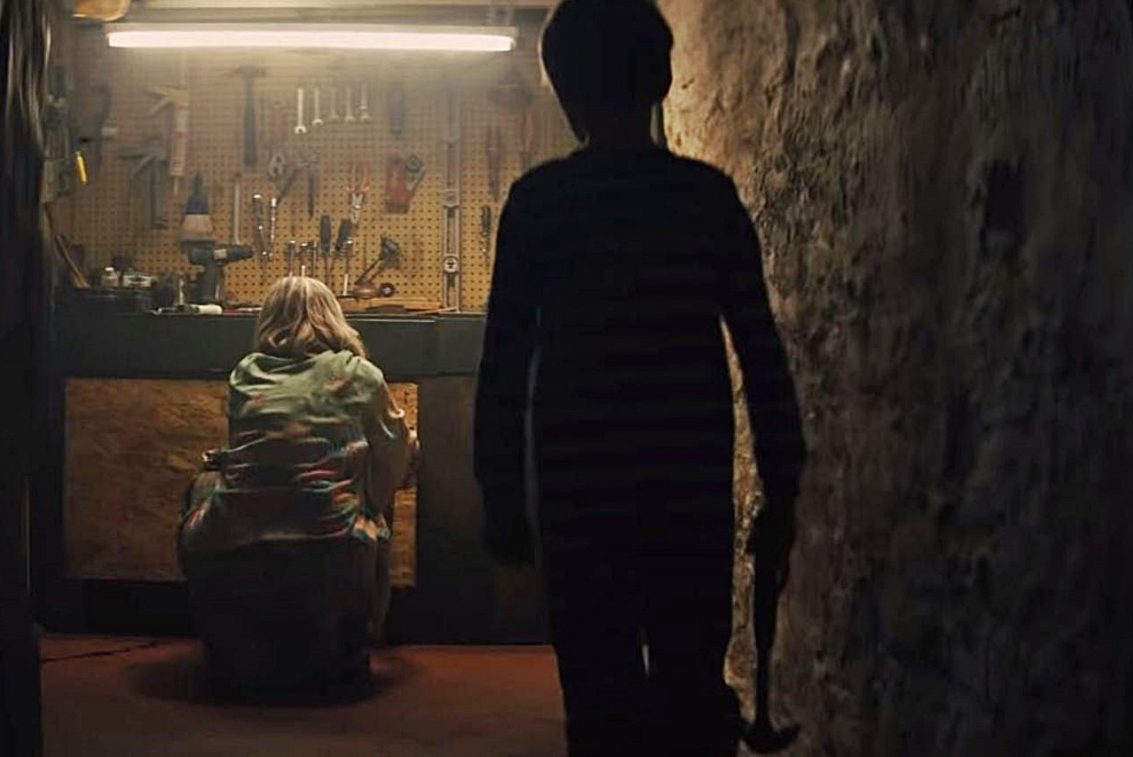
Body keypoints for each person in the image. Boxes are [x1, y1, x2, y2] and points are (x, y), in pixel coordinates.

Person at [473, 0, 805, 754]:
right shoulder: (705, 199)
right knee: (691, 690)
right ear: (659, 78)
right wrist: (782, 486)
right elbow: (762, 353)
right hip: (687, 489)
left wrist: (503, 502)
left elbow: (503, 366)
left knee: (600, 703)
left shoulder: (539, 205)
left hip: (580, 495)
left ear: (566, 91)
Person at [179, 276, 417, 694]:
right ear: (333, 318)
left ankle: (226, 644)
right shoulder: (358, 374)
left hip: (234, 530)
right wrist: (372, 497)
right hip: (332, 534)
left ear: (269, 319)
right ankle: (358, 639)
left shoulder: (245, 373)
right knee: (380, 491)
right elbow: (396, 450)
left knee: (201, 486)